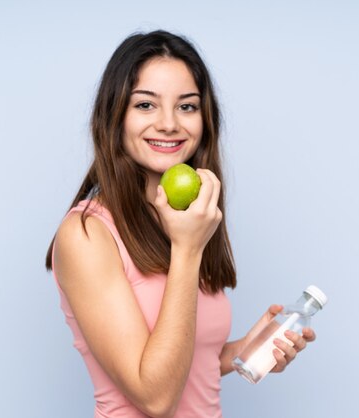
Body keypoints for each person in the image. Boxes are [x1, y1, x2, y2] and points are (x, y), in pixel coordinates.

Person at [45, 30, 316, 418]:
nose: (169, 123)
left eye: (187, 107)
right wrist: (187, 251)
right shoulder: (87, 234)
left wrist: (243, 352)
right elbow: (154, 397)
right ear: (114, 114)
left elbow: (186, 363)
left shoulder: (186, 218)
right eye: (145, 105)